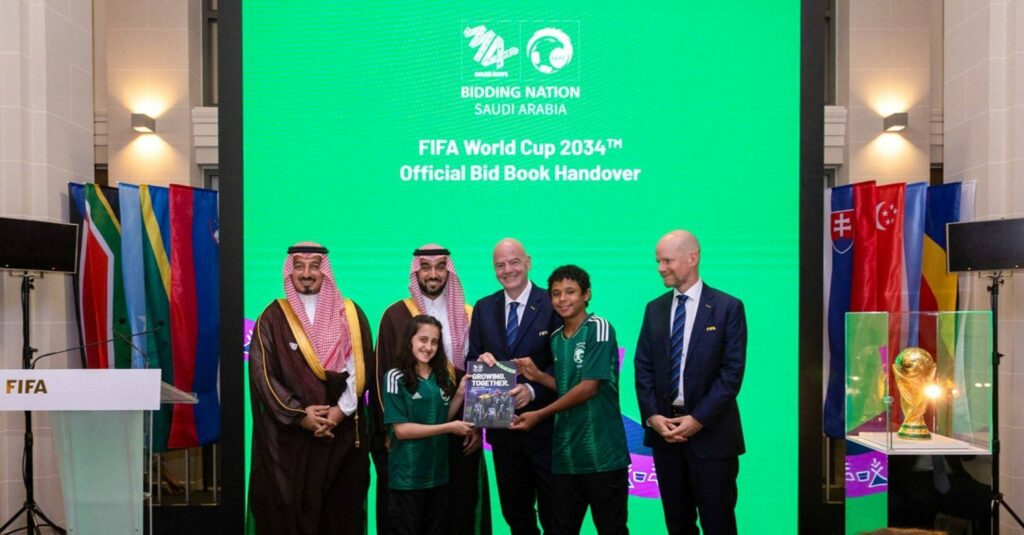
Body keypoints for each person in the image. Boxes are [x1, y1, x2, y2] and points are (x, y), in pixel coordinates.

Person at [247, 242, 374, 535]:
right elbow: (263, 374)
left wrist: (339, 412)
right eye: (299, 266)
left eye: (314, 266)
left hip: (340, 434)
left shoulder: (350, 313)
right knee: (288, 513)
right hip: (291, 437)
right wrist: (300, 415)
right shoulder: (273, 316)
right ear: (289, 271)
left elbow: (360, 367)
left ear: (324, 271)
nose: (306, 273)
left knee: (339, 512)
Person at [370, 244, 490, 534]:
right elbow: (380, 374)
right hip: (409, 435)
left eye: (440, 267)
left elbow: (478, 373)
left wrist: (476, 424)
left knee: (455, 508)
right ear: (416, 272)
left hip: (460, 430)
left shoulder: (470, 314)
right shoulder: (395, 315)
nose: (433, 274)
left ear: (449, 272)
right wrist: (390, 429)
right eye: (425, 267)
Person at [634, 230, 747, 535]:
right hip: (666, 437)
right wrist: (653, 416)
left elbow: (731, 374)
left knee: (718, 524)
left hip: (712, 437)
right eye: (658, 261)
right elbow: (643, 367)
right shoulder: (654, 308)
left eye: (667, 260)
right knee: (677, 524)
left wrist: (698, 419)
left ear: (692, 258)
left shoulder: (727, 307)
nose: (661, 268)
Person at [511, 265, 630, 535]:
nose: (562, 299)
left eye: (570, 292)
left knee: (611, 529)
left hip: (602, 456)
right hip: (566, 457)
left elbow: (588, 388)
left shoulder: (599, 328)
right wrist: (538, 376)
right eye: (556, 293)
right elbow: (567, 387)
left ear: (586, 295)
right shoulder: (556, 339)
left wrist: (539, 414)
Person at [468, 238, 561, 534]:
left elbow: (563, 364)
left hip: (546, 429)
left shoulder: (553, 303)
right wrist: (479, 361)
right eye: (500, 265)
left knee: (556, 514)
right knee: (515, 514)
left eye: (514, 262)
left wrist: (532, 390)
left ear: (528, 262)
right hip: (502, 431)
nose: (508, 270)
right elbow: (472, 358)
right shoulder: (483, 307)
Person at [383, 315, 475, 535]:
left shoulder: (441, 376)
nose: (428, 347)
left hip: (438, 476)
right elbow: (401, 430)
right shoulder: (395, 377)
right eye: (423, 340)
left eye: (434, 342)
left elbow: (442, 417)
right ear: (410, 340)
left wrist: (460, 393)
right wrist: (449, 428)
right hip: (408, 478)